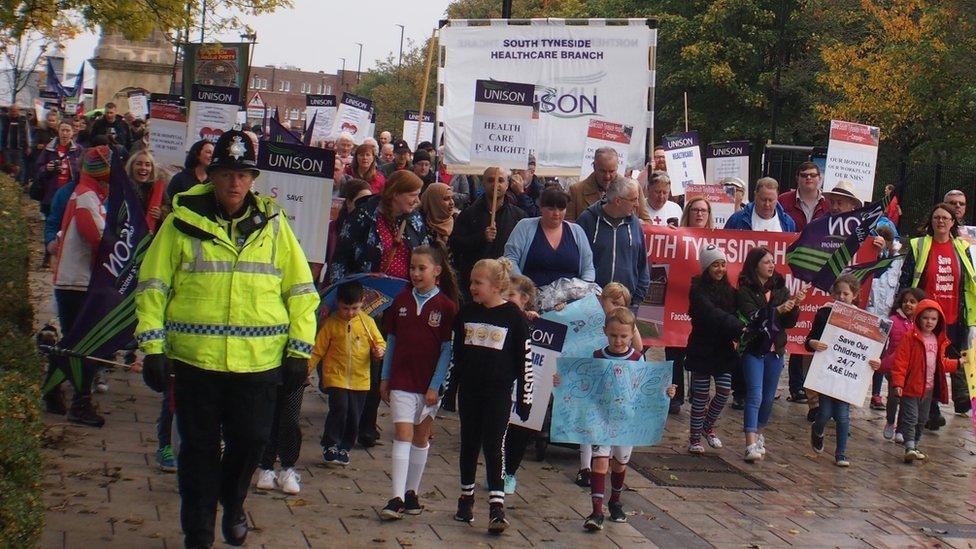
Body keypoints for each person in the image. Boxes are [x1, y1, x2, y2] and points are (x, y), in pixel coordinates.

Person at [135, 130, 319, 548]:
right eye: (226, 174)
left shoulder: (274, 226)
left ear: (252, 179)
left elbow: (301, 291)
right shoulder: (181, 222)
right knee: (198, 450)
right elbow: (153, 286)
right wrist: (152, 347)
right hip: (196, 361)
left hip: (258, 363)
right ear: (211, 175)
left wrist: (299, 351)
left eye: (243, 174)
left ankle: (233, 503)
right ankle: (197, 528)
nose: (235, 183)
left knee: (251, 441)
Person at [558, 307, 675, 532]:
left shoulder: (637, 358)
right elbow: (585, 382)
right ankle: (596, 511)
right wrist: (562, 381)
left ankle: (615, 501)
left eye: (623, 336)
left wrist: (665, 391)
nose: (618, 340)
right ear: (605, 332)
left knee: (620, 463)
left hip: (626, 421)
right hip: (601, 418)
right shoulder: (597, 356)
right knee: (600, 460)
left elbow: (645, 388)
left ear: (632, 334)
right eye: (613, 335)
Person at [450, 258, 533, 533]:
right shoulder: (466, 314)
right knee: (468, 443)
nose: (472, 287)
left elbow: (525, 360)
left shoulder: (514, 317)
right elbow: (457, 356)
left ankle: (497, 506)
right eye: (471, 281)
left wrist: (525, 397)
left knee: (494, 444)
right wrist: (449, 390)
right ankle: (466, 498)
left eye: (478, 283)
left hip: (498, 393)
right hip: (470, 391)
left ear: (497, 286)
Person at [378, 245, 459, 520]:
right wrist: (385, 377)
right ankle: (396, 496)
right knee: (402, 435)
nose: (415, 273)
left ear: (436, 271)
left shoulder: (447, 307)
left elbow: (447, 350)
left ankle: (412, 492)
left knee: (421, 438)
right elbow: (392, 340)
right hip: (401, 380)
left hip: (428, 386)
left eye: (421, 268)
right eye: (412, 267)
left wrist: (436, 385)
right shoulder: (401, 300)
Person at [43, 145, 114, 426]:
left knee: (74, 342)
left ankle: (52, 392)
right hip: (77, 282)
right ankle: (80, 403)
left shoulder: (89, 194)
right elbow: (96, 238)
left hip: (77, 280)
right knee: (84, 345)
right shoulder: (86, 197)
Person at [898, 202, 976, 421]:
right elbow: (907, 277)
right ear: (931, 222)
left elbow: (968, 282)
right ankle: (930, 409)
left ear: (953, 222)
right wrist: (904, 305)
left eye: (945, 218)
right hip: (926, 316)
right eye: (936, 218)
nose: (940, 221)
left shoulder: (962, 247)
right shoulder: (919, 245)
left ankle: (946, 401)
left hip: (953, 315)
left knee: (944, 362)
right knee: (927, 362)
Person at [303, 281, 385, 473]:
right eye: (345, 308)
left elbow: (380, 342)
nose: (349, 313)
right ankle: (330, 442)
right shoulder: (331, 324)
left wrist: (379, 351)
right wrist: (306, 369)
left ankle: (345, 446)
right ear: (338, 304)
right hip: (336, 377)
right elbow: (318, 350)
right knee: (339, 408)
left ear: (362, 303)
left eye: (354, 308)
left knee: (354, 415)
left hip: (360, 379)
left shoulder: (367, 322)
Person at [806, 275, 882, 467]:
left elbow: (870, 349)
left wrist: (876, 361)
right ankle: (818, 430)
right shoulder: (825, 313)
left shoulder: (864, 321)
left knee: (842, 415)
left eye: (846, 293)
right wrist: (814, 343)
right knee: (823, 412)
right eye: (838, 293)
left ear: (855, 295)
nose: (841, 297)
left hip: (847, 377)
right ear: (832, 293)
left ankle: (841, 453)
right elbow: (810, 339)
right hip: (827, 373)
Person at [737, 246, 804, 462]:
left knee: (768, 397)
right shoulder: (745, 290)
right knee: (755, 394)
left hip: (775, 350)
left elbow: (788, 323)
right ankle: (749, 443)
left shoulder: (780, 289)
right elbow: (753, 317)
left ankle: (759, 434)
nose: (771, 265)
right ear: (755, 265)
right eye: (766, 262)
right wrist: (777, 310)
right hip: (754, 349)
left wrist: (794, 307)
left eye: (772, 261)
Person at [573, 283, 642, 487]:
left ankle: (614, 496)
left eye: (619, 304)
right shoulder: (590, 312)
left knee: (620, 458)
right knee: (589, 426)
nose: (614, 307)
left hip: (618, 392)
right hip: (596, 380)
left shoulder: (624, 325)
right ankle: (585, 468)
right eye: (611, 302)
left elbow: (638, 348)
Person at [685, 245, 744, 455]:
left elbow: (740, 312)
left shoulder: (731, 292)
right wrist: (735, 325)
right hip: (702, 348)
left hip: (723, 350)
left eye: (722, 264)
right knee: (700, 395)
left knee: (724, 391)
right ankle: (694, 438)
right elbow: (711, 313)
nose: (719, 269)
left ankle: (707, 425)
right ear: (707, 267)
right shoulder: (698, 290)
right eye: (715, 265)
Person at [330, 170, 431, 283]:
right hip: (367, 292)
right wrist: (342, 291)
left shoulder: (415, 219)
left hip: (405, 294)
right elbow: (341, 258)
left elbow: (425, 255)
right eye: (413, 195)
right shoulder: (363, 215)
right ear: (396, 194)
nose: (417, 201)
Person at [891, 299, 959, 463]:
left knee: (922, 419)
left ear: (939, 321)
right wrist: (898, 383)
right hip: (910, 387)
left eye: (933, 319)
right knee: (910, 417)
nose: (929, 322)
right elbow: (900, 362)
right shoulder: (910, 337)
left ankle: (915, 444)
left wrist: (958, 363)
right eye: (925, 318)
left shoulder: (938, 340)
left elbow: (941, 364)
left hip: (928, 389)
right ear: (918, 318)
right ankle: (909, 446)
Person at [450, 167, 526, 299]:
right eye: (491, 180)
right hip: (475, 286)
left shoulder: (518, 216)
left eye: (500, 180)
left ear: (507, 185)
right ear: (483, 183)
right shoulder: (468, 214)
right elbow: (455, 244)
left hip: (506, 285)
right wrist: (481, 237)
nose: (496, 184)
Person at [576, 176, 650, 305]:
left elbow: (642, 263)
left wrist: (636, 298)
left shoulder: (635, 224)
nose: (637, 204)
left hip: (626, 303)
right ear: (617, 201)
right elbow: (575, 260)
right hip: (591, 303)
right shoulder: (587, 220)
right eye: (634, 200)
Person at [504, 187, 595, 287]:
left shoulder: (577, 231)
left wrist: (585, 290)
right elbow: (510, 259)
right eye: (551, 209)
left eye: (561, 209)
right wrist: (522, 287)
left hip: (572, 298)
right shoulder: (524, 227)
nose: (556, 213)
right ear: (541, 207)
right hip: (531, 295)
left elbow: (588, 267)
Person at [501, 275, 540, 494]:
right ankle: (497, 471)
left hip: (525, 386)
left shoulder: (534, 322)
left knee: (520, 431)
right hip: (502, 383)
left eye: (511, 295)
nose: (506, 299)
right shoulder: (498, 315)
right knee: (499, 431)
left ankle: (510, 474)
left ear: (524, 298)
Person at [879, 288, 925, 443]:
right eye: (905, 301)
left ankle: (901, 429)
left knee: (907, 401)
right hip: (894, 367)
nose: (908, 304)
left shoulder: (921, 324)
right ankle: (890, 420)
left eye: (912, 302)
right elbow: (882, 341)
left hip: (913, 371)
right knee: (893, 398)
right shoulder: (892, 320)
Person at [568, 148, 651, 223]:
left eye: (611, 171)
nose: (607, 176)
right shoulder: (576, 191)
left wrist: (636, 224)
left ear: (617, 167)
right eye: (603, 171)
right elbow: (569, 227)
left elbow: (647, 222)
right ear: (594, 167)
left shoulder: (634, 188)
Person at [36, 120, 81, 219]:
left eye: (67, 130)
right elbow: (39, 168)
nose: (65, 133)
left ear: (72, 132)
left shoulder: (79, 150)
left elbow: (84, 170)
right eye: (62, 130)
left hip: (69, 192)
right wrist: (46, 168)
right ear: (58, 131)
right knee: (51, 221)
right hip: (50, 191)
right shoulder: (49, 149)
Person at [724, 177, 796, 232]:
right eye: (763, 199)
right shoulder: (736, 219)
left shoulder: (788, 223)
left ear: (777, 197)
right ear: (755, 196)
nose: (767, 204)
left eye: (771, 200)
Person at [778, 161, 828, 231]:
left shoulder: (828, 202)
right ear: (797, 179)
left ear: (819, 179)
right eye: (804, 175)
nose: (808, 178)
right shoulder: (782, 200)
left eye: (813, 175)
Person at [125, 150, 166, 232]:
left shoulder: (158, 189)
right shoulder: (123, 187)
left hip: (150, 238)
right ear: (131, 166)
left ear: (152, 168)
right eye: (139, 164)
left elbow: (169, 211)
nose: (143, 168)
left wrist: (161, 214)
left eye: (147, 165)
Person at [419, 182, 455, 248]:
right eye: (446, 199)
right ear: (434, 202)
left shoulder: (457, 220)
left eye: (452, 198)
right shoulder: (419, 224)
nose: (452, 202)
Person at [1, 104, 29, 183]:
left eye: (15, 111)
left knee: (18, 166)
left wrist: (28, 146)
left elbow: (27, 133)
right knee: (8, 166)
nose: (14, 113)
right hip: (7, 147)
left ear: (19, 111)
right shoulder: (4, 118)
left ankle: (17, 183)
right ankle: (8, 182)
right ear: (9, 111)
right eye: (12, 111)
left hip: (19, 147)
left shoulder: (23, 119)